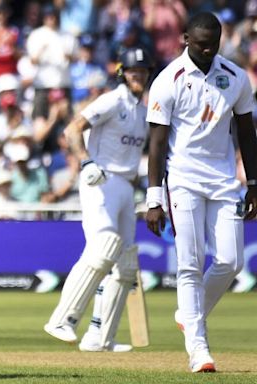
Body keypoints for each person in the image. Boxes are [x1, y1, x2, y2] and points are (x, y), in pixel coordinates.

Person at [145, 12, 257, 373]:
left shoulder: (236, 78)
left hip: (224, 181)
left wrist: (254, 183)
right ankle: (198, 348)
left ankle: (188, 315)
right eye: (200, 43)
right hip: (182, 179)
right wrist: (153, 198)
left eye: (213, 43)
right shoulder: (168, 80)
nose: (207, 50)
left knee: (230, 262)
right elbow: (157, 143)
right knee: (190, 264)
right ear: (185, 39)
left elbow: (246, 134)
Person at [44, 47, 153, 353]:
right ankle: (62, 320)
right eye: (133, 71)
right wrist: (85, 162)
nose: (138, 76)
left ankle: (100, 338)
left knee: (126, 265)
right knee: (103, 249)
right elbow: (72, 129)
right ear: (123, 72)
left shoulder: (142, 111)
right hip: (99, 181)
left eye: (143, 72)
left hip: (126, 188)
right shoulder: (112, 99)